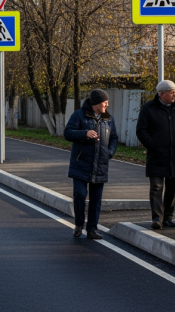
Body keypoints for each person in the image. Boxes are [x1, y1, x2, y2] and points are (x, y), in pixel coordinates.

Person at [136, 80, 175, 229]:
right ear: (162, 94)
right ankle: (157, 218)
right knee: (156, 187)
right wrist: (153, 144)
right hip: (156, 155)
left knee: (172, 189)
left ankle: (168, 217)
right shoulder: (148, 108)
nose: (174, 94)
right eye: (171, 91)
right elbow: (141, 130)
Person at [64, 89, 118, 239]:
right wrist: (84, 133)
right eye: (104, 102)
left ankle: (92, 229)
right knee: (80, 194)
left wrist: (109, 153)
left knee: (96, 199)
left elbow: (114, 138)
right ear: (95, 103)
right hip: (81, 163)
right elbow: (68, 133)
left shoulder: (108, 119)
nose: (107, 105)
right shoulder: (79, 115)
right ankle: (79, 223)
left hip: (100, 164)